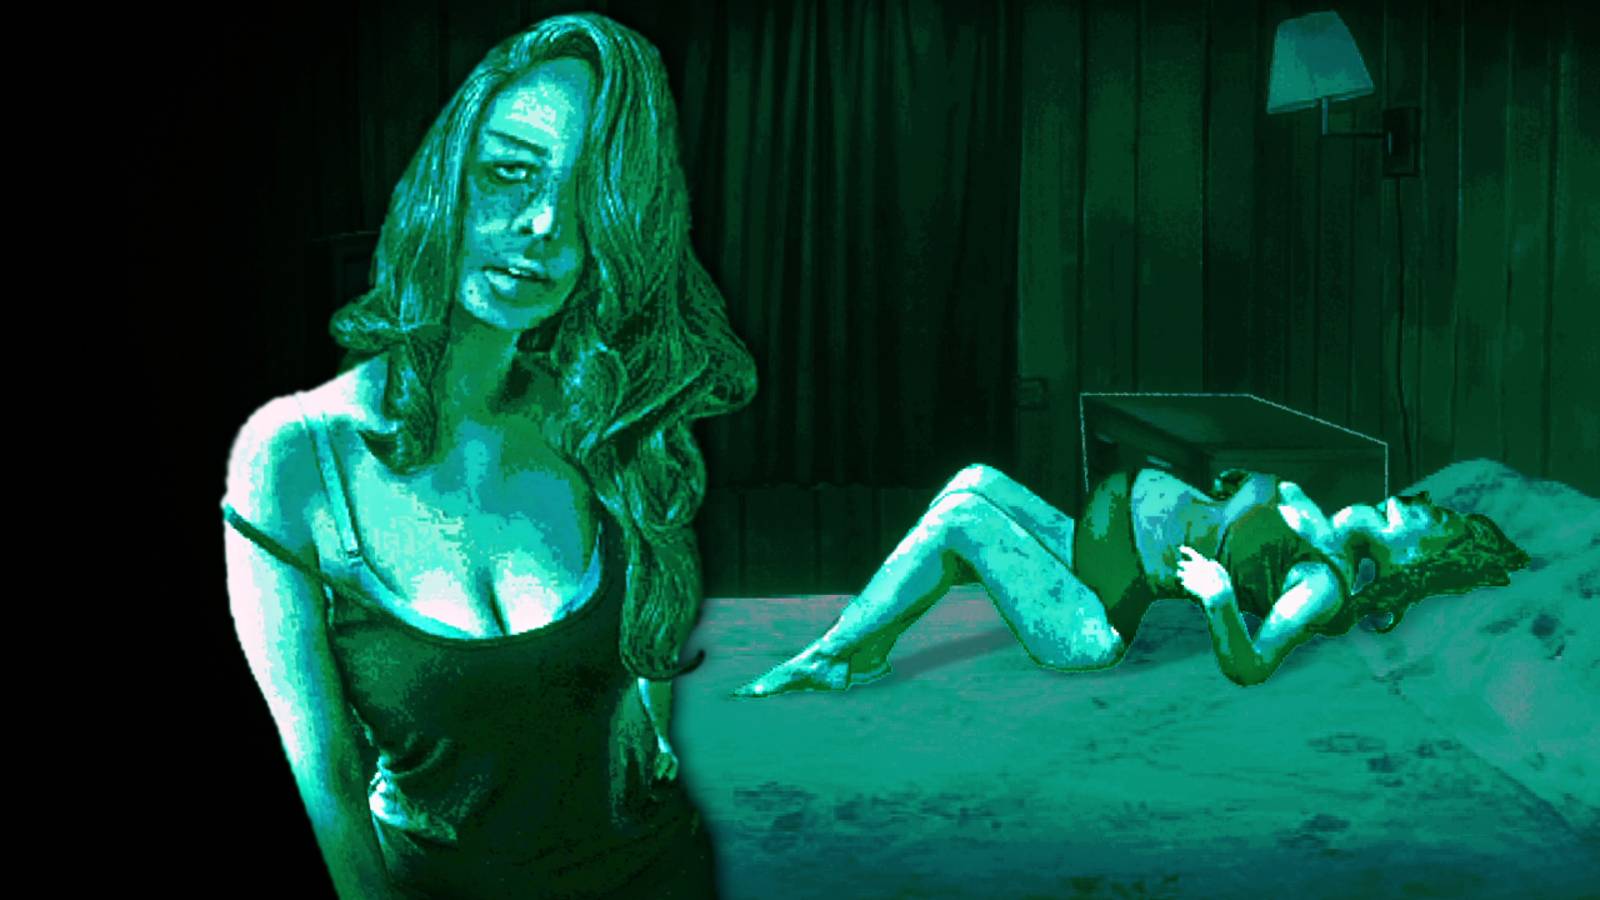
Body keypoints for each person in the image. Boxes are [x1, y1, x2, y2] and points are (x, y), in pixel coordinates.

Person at [222, 13, 756, 898]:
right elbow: (328, 786)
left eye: (589, 198)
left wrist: (640, 700)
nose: (544, 224)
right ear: (446, 174)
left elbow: (646, 630)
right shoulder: (293, 460)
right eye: (510, 172)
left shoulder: (595, 421)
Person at [734, 463, 1529, 696]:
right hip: (1098, 555)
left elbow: (1251, 665)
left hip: (1093, 622)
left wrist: (1219, 599)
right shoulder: (1317, 516)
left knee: (962, 519)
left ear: (1415, 564)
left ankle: (826, 656)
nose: (1414, 502)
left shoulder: (1323, 584)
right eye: (1425, 501)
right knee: (972, 479)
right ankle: (869, 646)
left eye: (1428, 518)